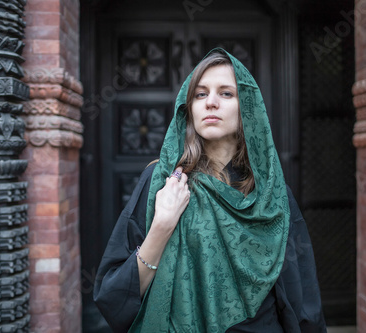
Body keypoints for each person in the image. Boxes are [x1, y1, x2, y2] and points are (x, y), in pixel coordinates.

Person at [94, 48, 326, 333]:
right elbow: (114, 296)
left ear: (247, 108)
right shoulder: (162, 183)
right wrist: (162, 226)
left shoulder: (271, 195)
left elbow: (301, 298)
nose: (211, 103)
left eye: (226, 93)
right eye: (201, 94)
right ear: (189, 107)